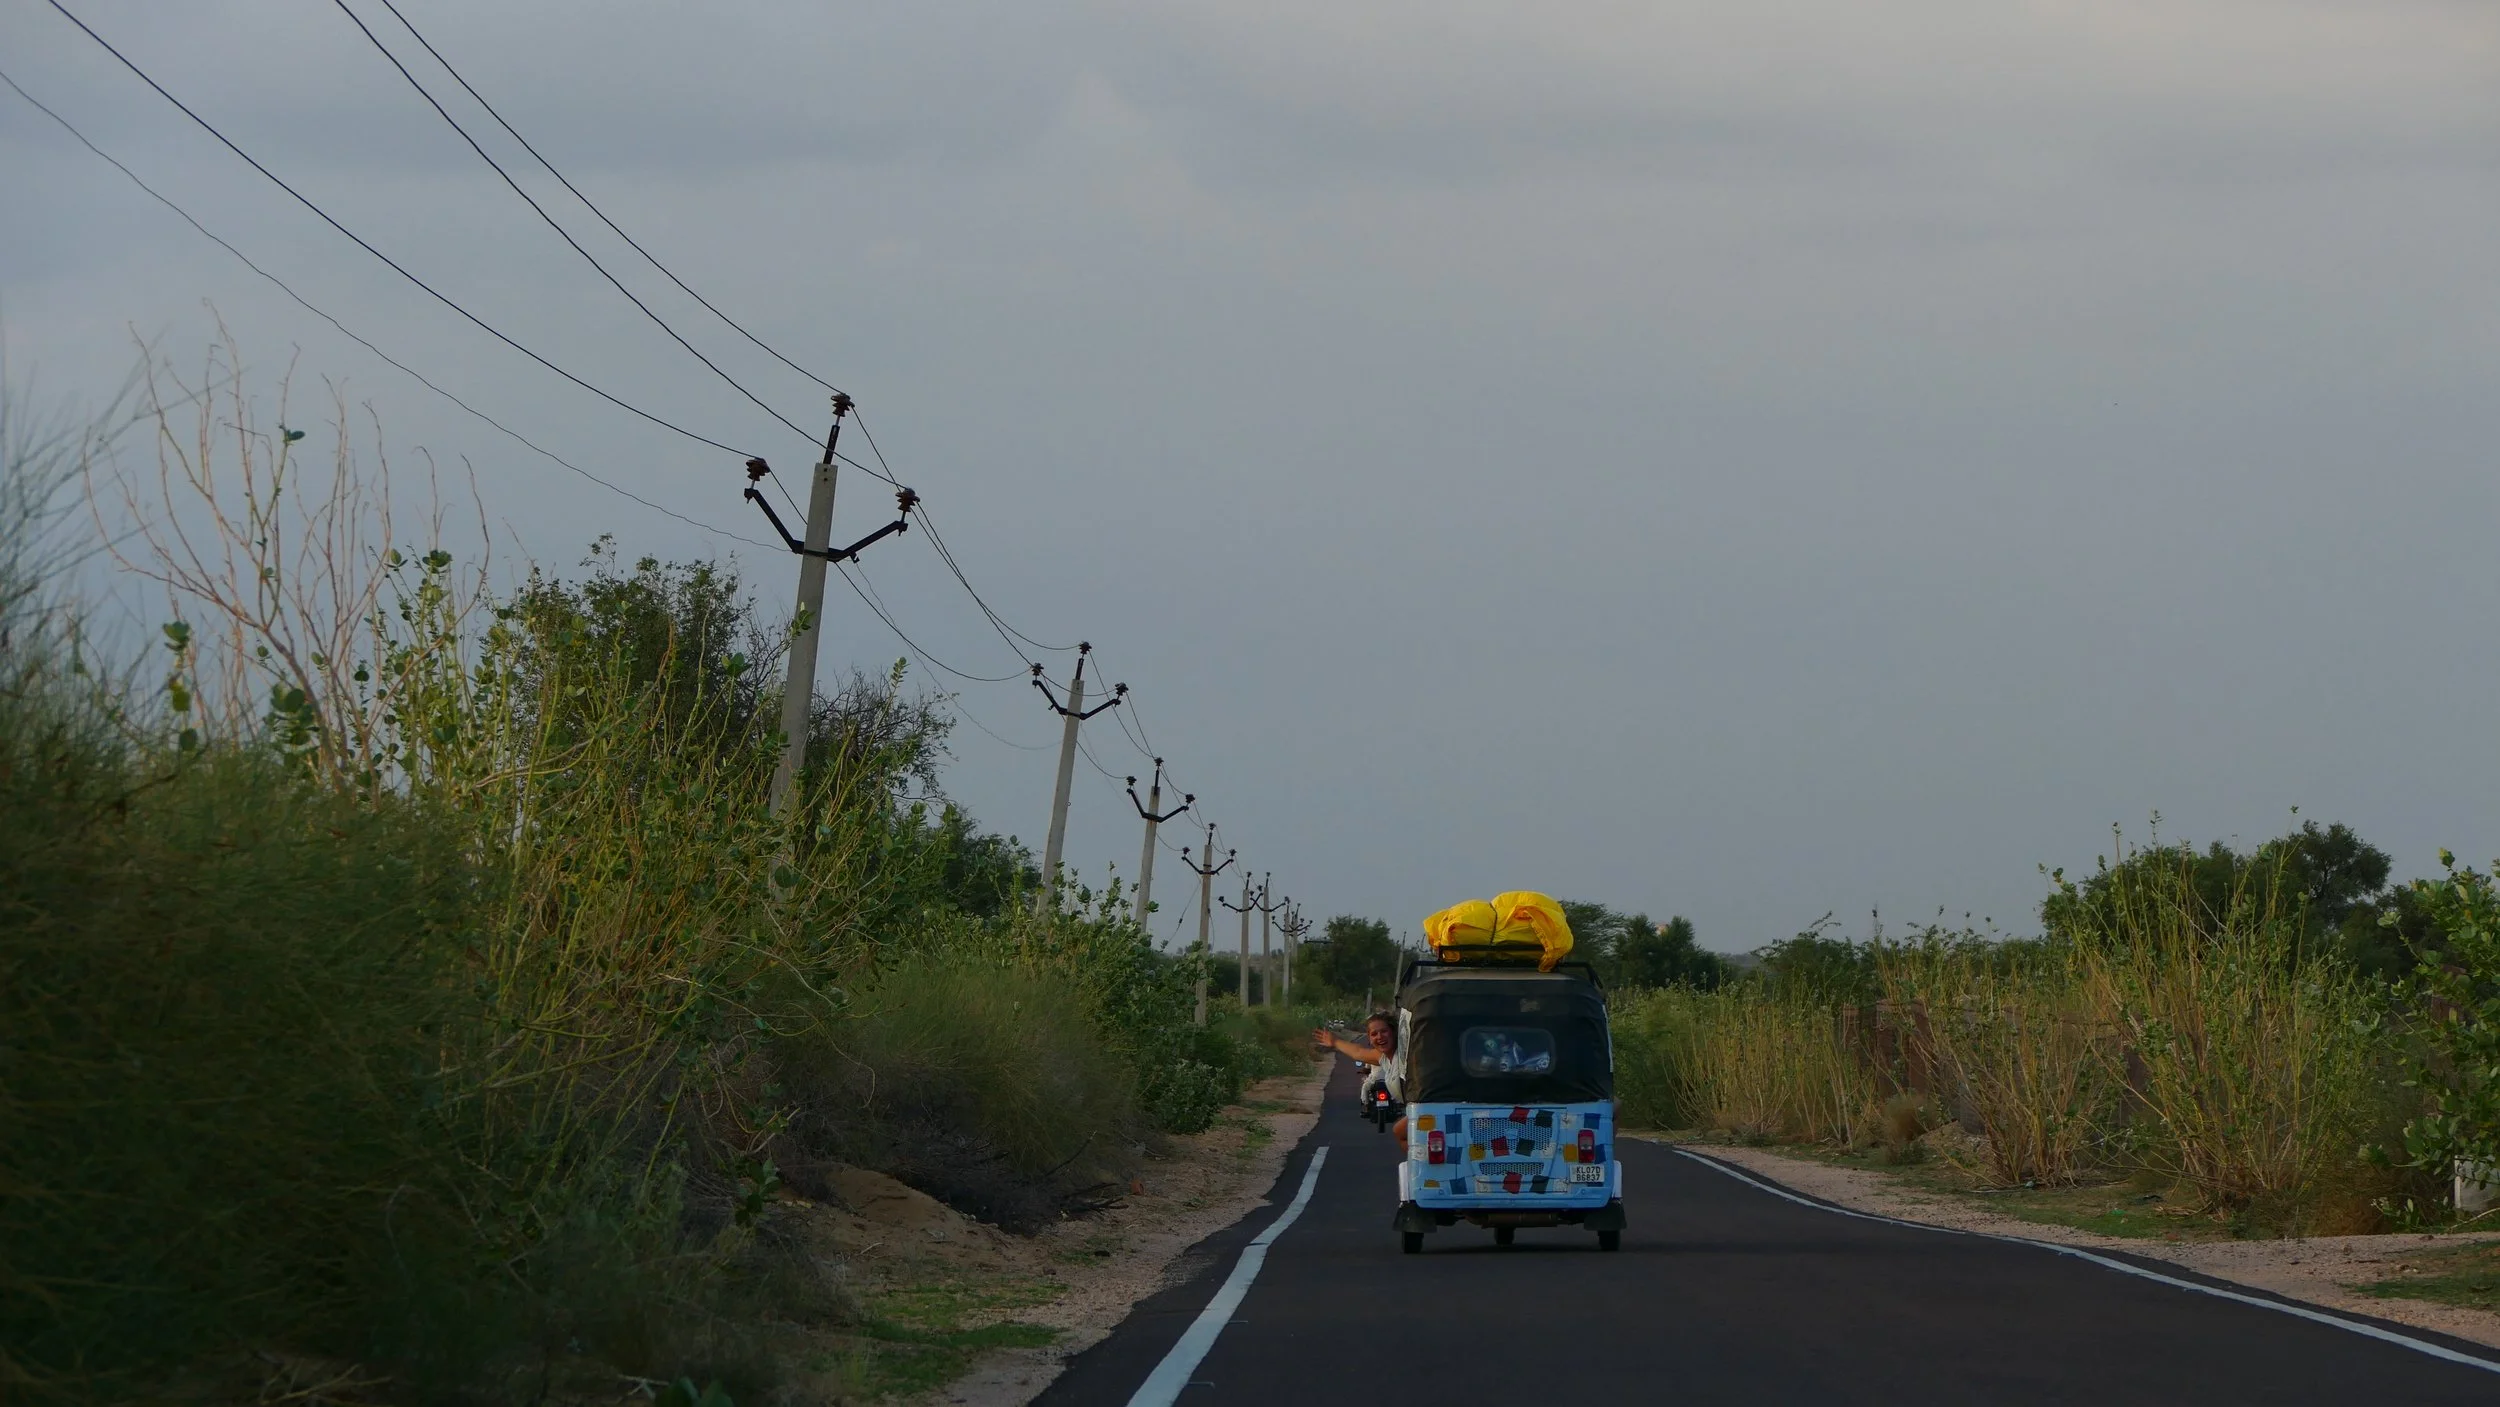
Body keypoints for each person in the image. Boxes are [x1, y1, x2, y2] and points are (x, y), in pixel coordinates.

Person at [1314, 1011, 1409, 1139]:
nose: (1380, 1037)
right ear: (1369, 1038)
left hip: (1429, 1104)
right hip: (1415, 1108)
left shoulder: (1406, 1053)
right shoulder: (1382, 1057)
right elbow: (1358, 1052)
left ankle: (1364, 1102)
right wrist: (1335, 1042)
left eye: (1384, 1031)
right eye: (1374, 1034)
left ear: (1394, 1032)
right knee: (1399, 1132)